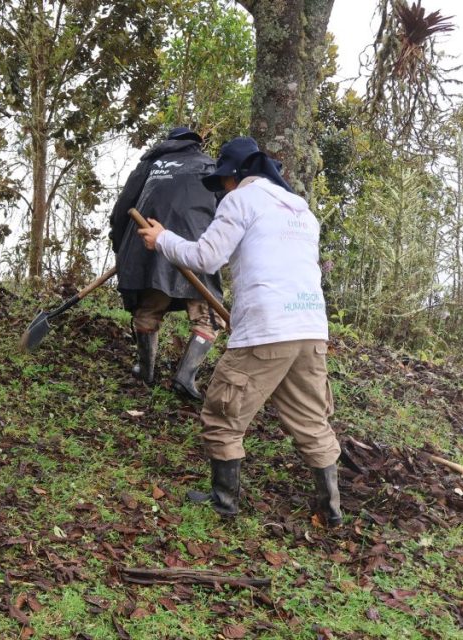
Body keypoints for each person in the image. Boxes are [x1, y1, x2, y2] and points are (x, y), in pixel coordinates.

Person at [136, 136, 343, 527]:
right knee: (312, 419)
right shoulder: (301, 208)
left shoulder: (241, 199)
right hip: (311, 328)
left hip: (266, 330)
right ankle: (330, 511)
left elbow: (206, 257)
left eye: (223, 181)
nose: (222, 190)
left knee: (223, 413)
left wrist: (161, 239)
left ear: (236, 175)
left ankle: (223, 501)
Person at [109, 126, 224, 399]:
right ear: (195, 145)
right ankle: (185, 377)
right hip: (196, 246)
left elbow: (123, 206)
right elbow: (225, 211)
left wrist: (121, 248)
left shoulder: (150, 165)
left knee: (149, 308)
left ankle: (145, 370)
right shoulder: (209, 166)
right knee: (208, 315)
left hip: (149, 247)